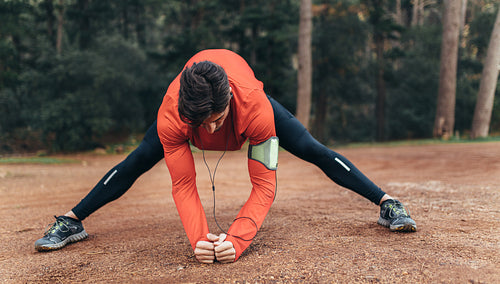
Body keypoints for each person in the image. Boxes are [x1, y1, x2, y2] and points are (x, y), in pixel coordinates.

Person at [35, 49, 416, 263]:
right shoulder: (174, 115)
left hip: (252, 105)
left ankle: (387, 203)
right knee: (137, 160)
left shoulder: (255, 109)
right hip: (183, 117)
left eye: (216, 121)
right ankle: (70, 221)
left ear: (228, 102)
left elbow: (264, 186)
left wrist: (238, 240)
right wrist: (200, 240)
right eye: (202, 125)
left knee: (312, 149)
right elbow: (184, 184)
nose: (211, 132)